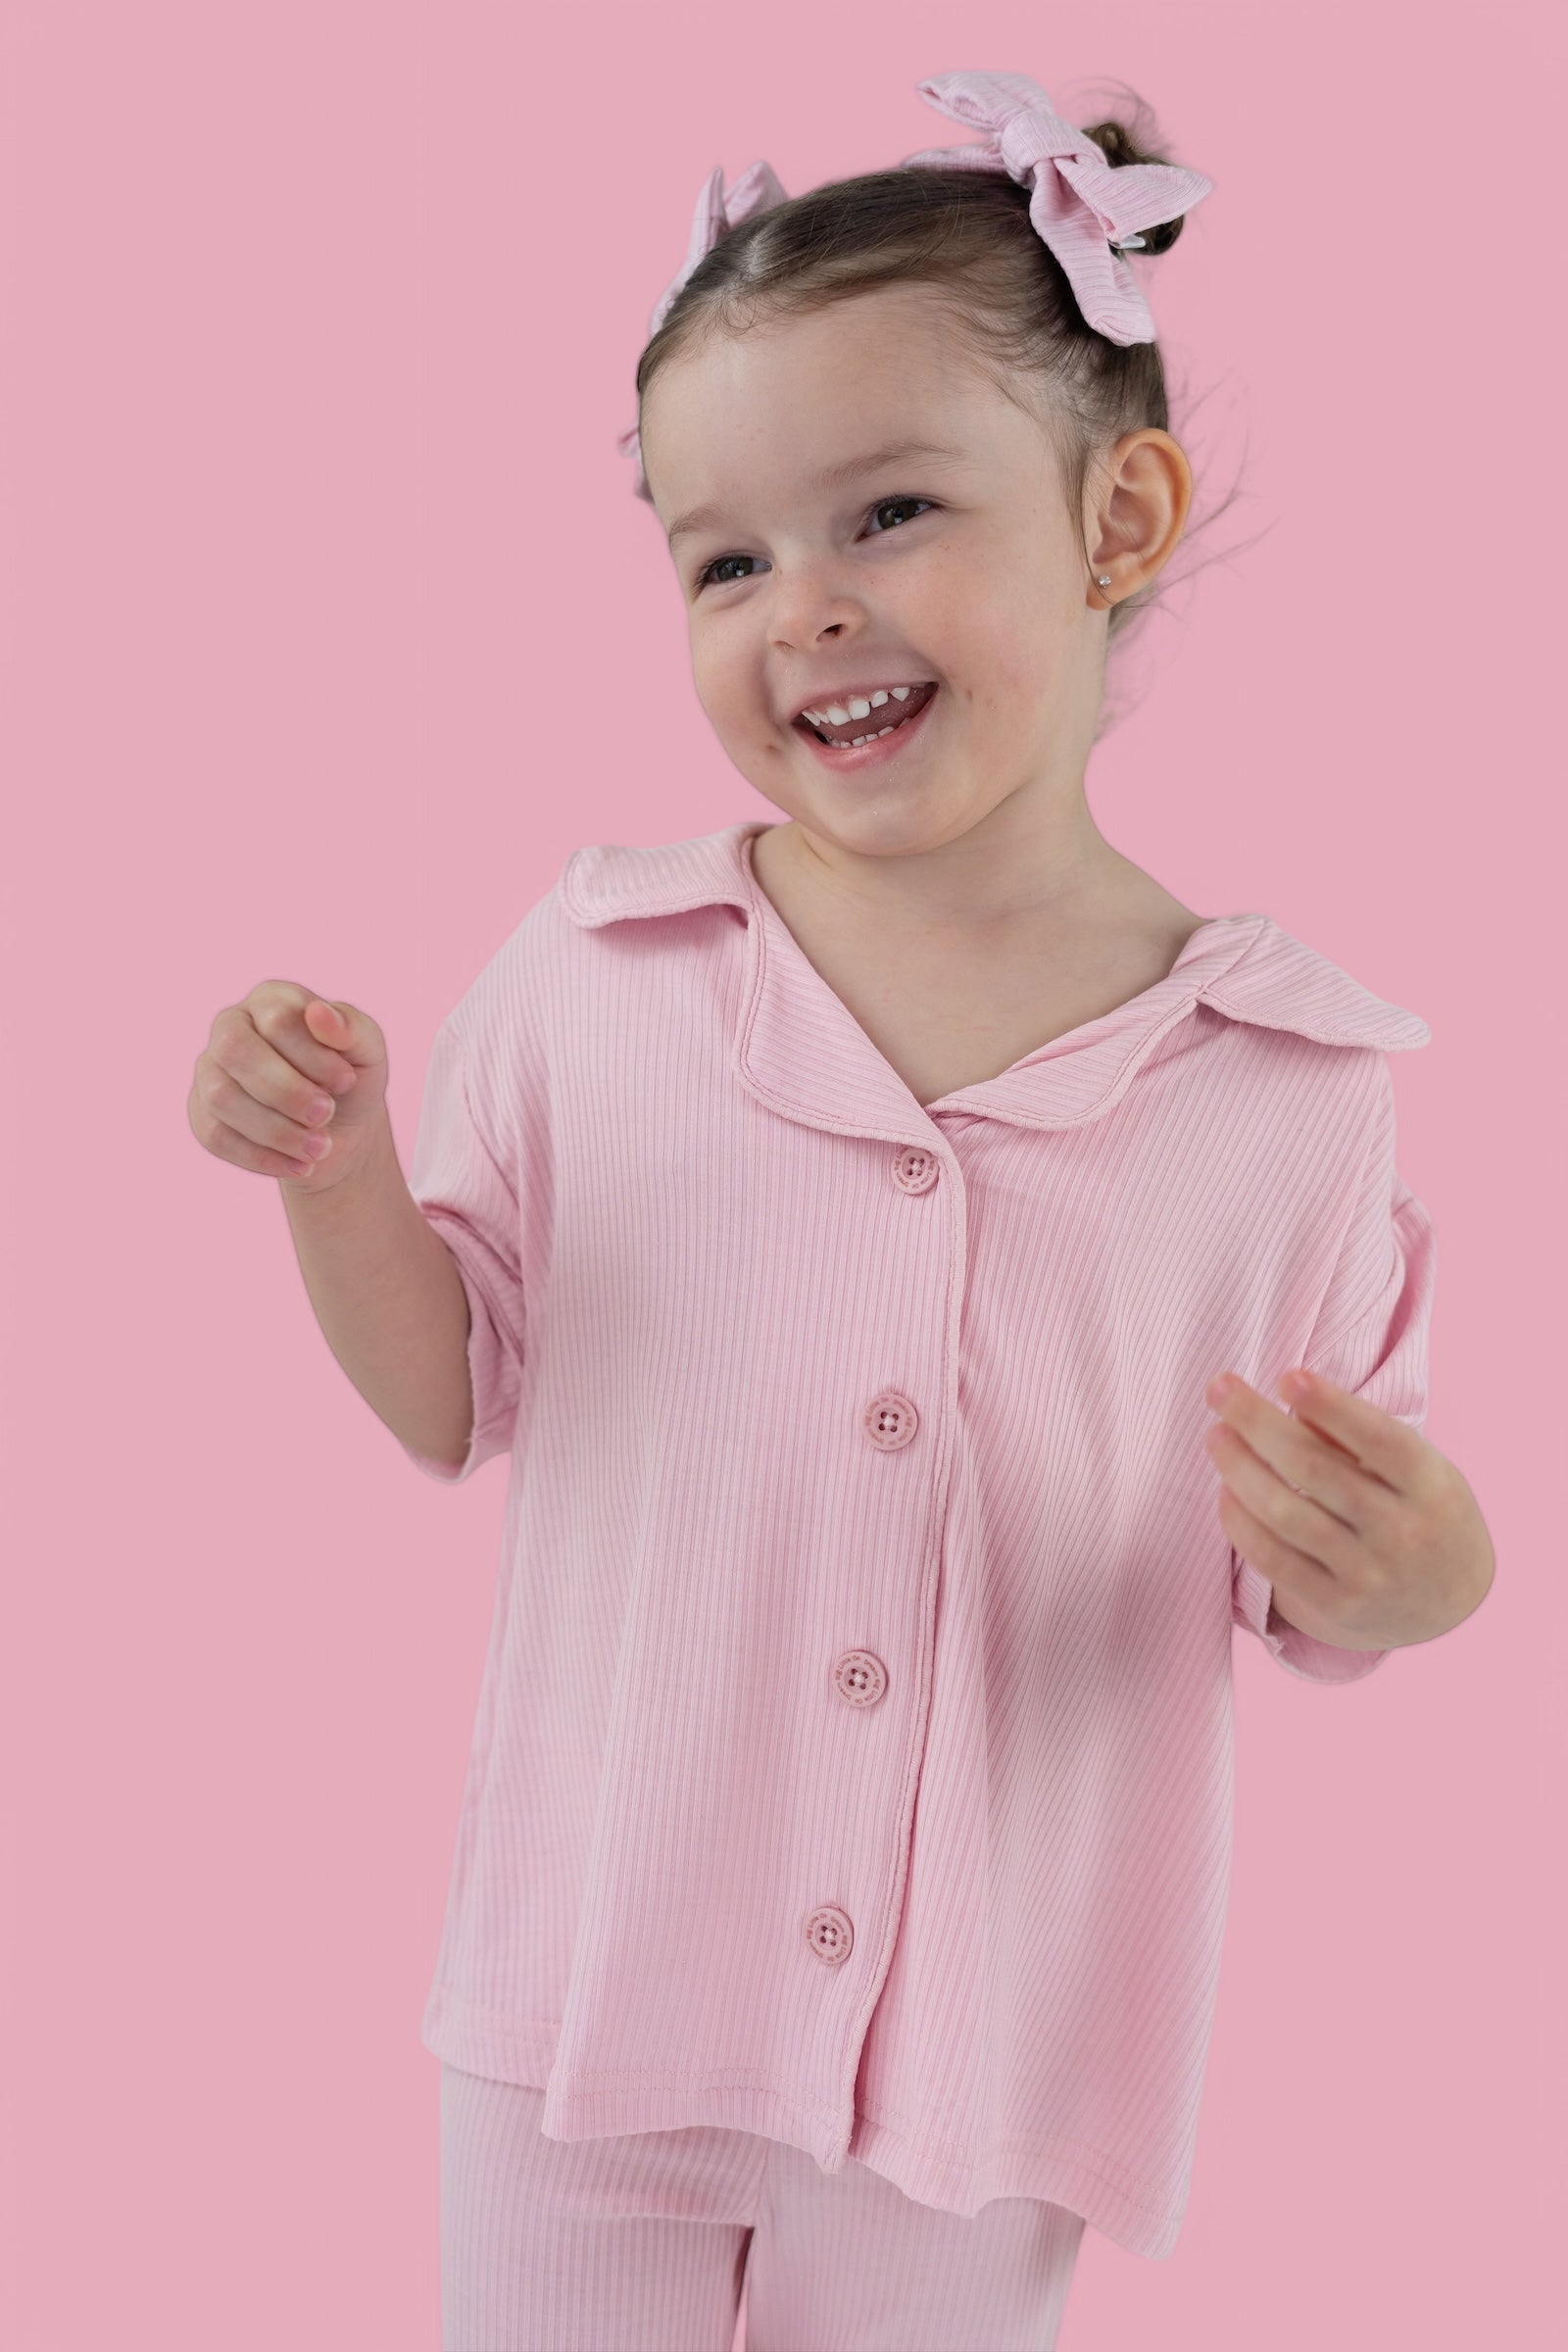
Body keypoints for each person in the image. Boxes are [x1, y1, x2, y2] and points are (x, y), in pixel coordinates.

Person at [187, 67, 1495, 2352]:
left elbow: (1316, 1581)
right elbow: (454, 1391)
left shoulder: (1282, 1092)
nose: (799, 608)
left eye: (885, 510)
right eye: (722, 559)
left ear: (1115, 515)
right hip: (580, 2012)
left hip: (976, 2072)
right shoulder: (603, 970)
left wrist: (1420, 1570)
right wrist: (337, 1176)